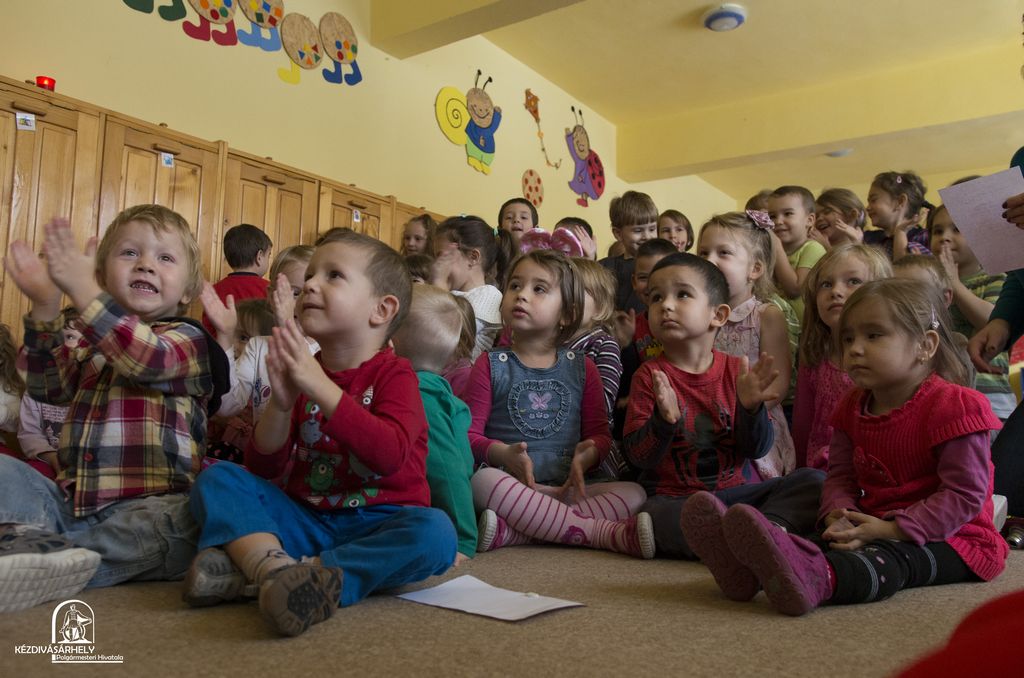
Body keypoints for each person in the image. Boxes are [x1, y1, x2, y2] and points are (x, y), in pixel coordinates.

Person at [185, 229, 455, 637]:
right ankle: (272, 568)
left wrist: (317, 385)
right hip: (307, 518)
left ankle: (298, 573)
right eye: (310, 274)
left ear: (381, 309)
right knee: (219, 477)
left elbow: (388, 455)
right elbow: (264, 467)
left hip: (379, 524)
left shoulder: (396, 375)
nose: (310, 284)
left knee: (436, 534)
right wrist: (280, 404)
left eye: (333, 275)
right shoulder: (305, 371)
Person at [683, 279, 1006, 616]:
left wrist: (893, 530)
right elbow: (840, 476)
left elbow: (964, 495)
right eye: (848, 338)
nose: (855, 349)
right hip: (872, 523)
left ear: (925, 345)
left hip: (958, 538)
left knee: (892, 559)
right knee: (817, 539)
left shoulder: (957, 406)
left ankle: (821, 578)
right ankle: (747, 571)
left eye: (874, 335)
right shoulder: (852, 405)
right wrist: (838, 514)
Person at [0, 205, 224, 613]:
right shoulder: (89, 347)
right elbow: (46, 387)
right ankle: (46, 549)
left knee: (188, 520)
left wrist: (85, 292)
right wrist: (46, 306)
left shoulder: (188, 340)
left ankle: (48, 555)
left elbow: (146, 358)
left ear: (188, 291)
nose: (146, 264)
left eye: (165, 257)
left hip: (151, 508)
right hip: (72, 506)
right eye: (129, 253)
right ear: (104, 276)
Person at [623, 253, 824, 562]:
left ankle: (763, 532)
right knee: (651, 517)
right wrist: (663, 422)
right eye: (656, 298)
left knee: (814, 482)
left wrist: (751, 410)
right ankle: (758, 539)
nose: (666, 305)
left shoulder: (736, 372)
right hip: (678, 500)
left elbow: (756, 449)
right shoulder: (649, 376)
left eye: (682, 294)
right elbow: (639, 457)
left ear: (717, 315)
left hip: (739, 496)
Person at [467, 251, 654, 558]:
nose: (521, 295)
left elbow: (600, 435)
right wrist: (503, 454)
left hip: (568, 489)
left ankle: (520, 531)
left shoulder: (583, 368)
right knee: (482, 482)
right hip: (512, 485)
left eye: (539, 288)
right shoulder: (489, 364)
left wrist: (588, 454)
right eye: (515, 285)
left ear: (567, 313)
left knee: (634, 493)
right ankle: (602, 533)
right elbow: (469, 435)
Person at [697, 211, 795, 478]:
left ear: (755, 269)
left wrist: (746, 413)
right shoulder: (699, 315)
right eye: (703, 253)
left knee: (750, 478)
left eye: (723, 253)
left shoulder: (766, 315)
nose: (709, 261)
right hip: (706, 420)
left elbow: (778, 384)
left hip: (754, 423)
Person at [391, 285, 477, 564]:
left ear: (390, 343)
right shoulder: (423, 388)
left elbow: (447, 469)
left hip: (440, 500)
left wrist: (464, 539)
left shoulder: (420, 395)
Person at [210, 246, 318, 465]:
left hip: (311, 468)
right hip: (267, 463)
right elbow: (228, 406)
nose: (299, 303)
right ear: (270, 296)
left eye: (309, 293)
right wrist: (225, 337)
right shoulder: (258, 346)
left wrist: (286, 325)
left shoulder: (330, 350)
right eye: (292, 293)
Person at [792, 245, 892, 470]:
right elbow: (802, 425)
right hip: (818, 471)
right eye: (826, 284)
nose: (836, 291)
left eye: (853, 281)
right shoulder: (815, 354)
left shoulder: (889, 360)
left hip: (873, 469)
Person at [926, 204, 1015, 420]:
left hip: (991, 403)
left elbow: (991, 322)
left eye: (957, 229)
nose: (945, 237)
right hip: (944, 404)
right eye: (937, 231)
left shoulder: (996, 278)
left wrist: (954, 284)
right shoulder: (929, 288)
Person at [568, 257, 624, 478]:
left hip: (589, 446)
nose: (566, 297)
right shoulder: (545, 343)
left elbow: (603, 403)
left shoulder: (602, 344)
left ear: (600, 307)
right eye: (561, 290)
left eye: (575, 291)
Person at [431, 216, 510, 359]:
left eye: (442, 257)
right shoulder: (449, 293)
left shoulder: (489, 294)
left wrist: (439, 284)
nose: (436, 266)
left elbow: (451, 334)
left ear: (473, 257)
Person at [767, 186, 826, 323]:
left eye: (788, 214)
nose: (778, 221)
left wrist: (777, 247)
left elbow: (794, 290)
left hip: (804, 328)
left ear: (809, 220)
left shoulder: (813, 248)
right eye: (772, 216)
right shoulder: (770, 252)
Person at [202, 224, 272, 334]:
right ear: (259, 256)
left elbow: (207, 330)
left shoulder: (214, 291)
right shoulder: (269, 289)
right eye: (268, 255)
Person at [600, 191, 659, 313]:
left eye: (652, 229)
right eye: (638, 231)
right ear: (618, 233)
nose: (647, 236)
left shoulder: (664, 265)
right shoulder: (605, 267)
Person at [864, 171, 931, 260]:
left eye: (873, 200)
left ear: (900, 201)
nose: (867, 208)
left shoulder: (923, 237)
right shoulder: (870, 239)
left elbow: (905, 267)